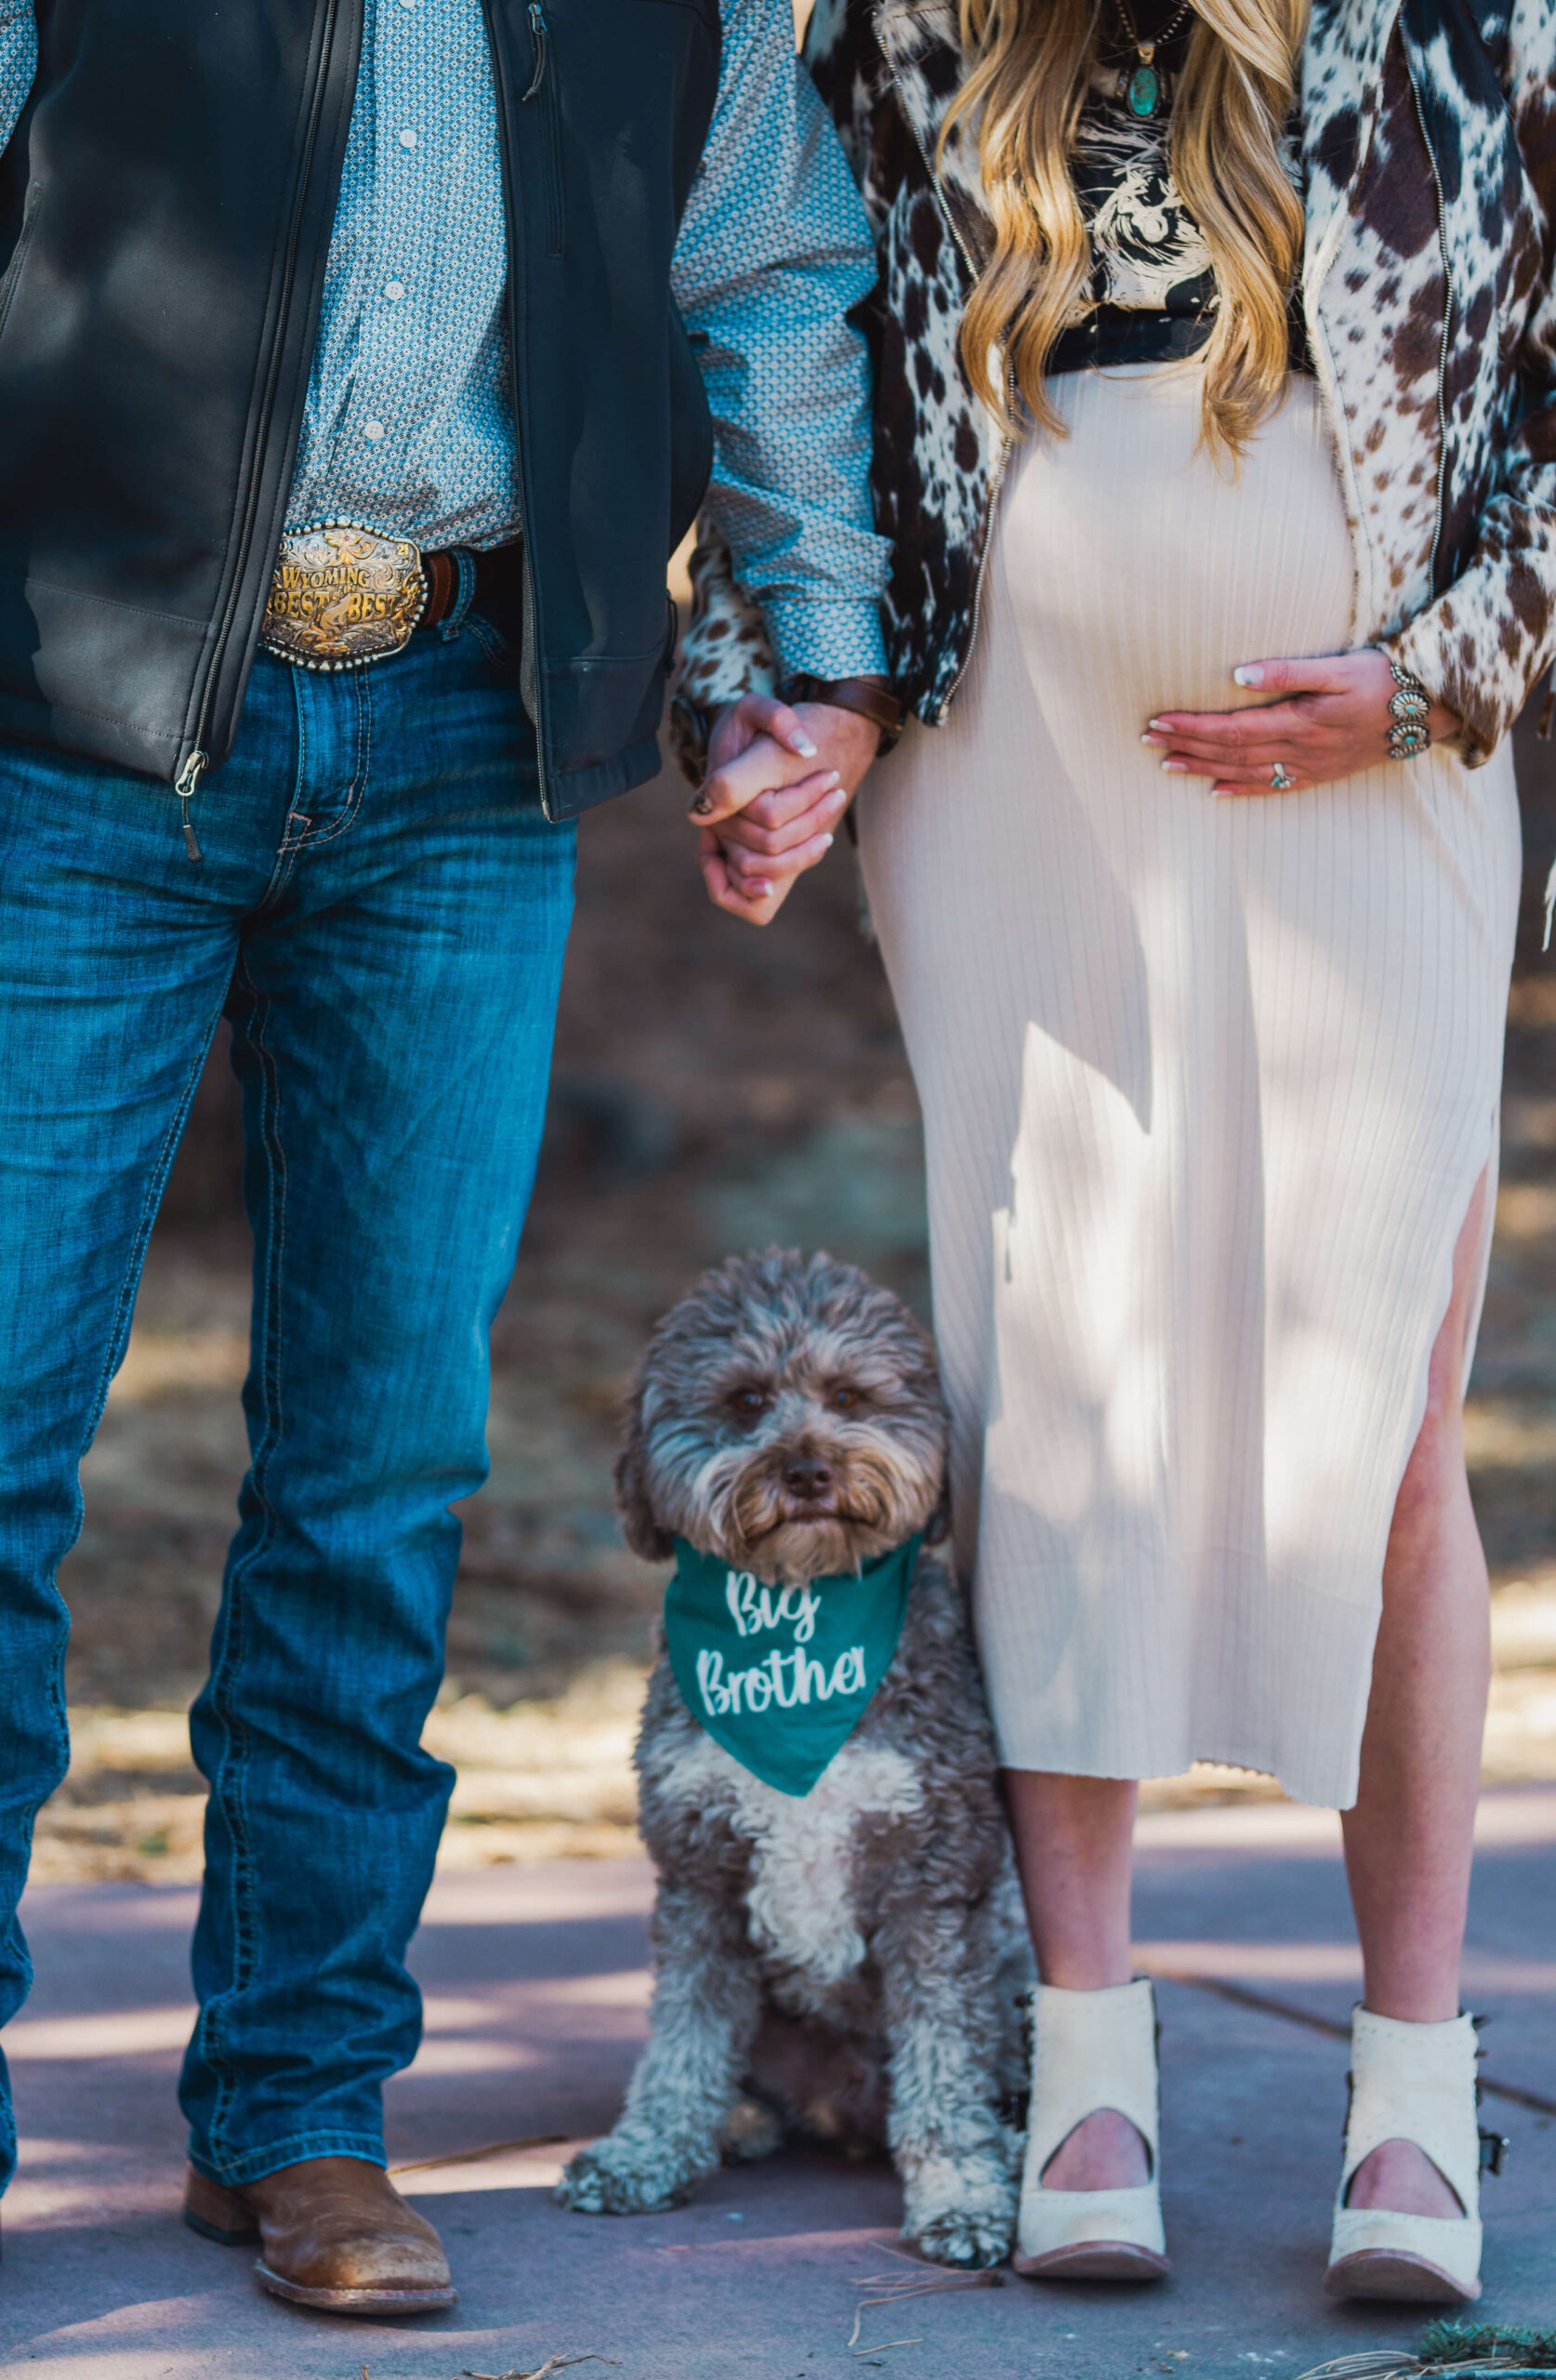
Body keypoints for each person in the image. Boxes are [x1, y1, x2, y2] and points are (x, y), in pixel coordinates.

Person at [0, 0, 893, 2320]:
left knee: (381, 1457)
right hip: (67, 719)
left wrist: (809, 648)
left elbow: (767, 266)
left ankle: (299, 2109)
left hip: (460, 744)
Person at [681, 0, 1555, 2307]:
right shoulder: (895, 25)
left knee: (1381, 1437)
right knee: (1043, 1410)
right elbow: (796, 364)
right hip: (1013, 781)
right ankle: (1081, 2065)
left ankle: (1410, 2099)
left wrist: (1444, 665)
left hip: (1383, 772)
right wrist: (784, 702)